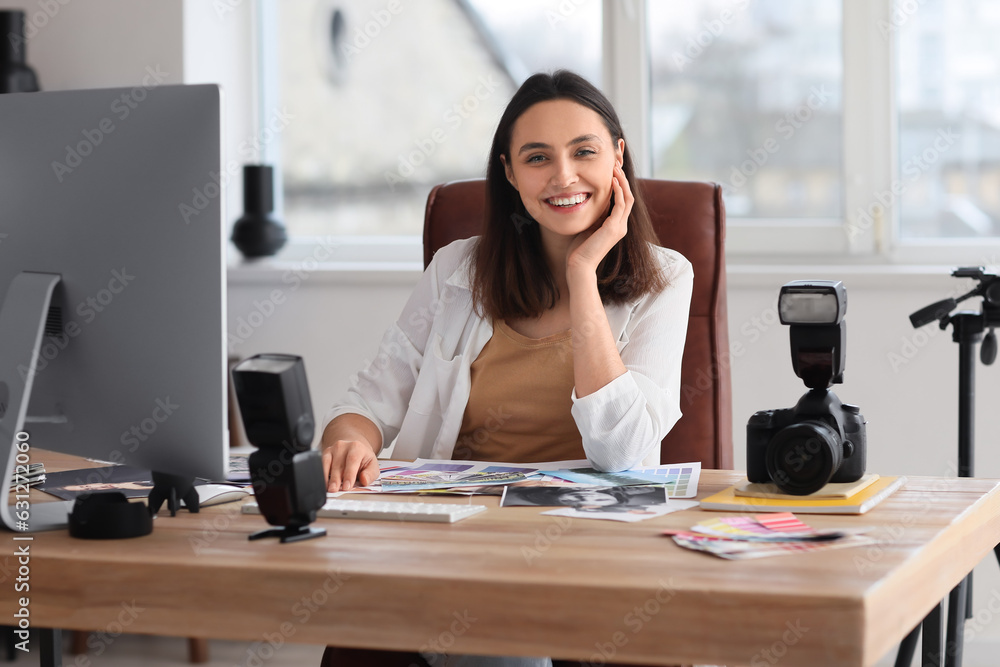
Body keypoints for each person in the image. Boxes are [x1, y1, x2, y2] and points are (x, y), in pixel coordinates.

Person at [318, 69, 693, 667]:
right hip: (461, 534)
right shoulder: (456, 270)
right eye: (538, 157)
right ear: (510, 173)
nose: (564, 176)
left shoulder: (665, 276)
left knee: (500, 640)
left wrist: (583, 274)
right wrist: (348, 441)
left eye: (584, 152)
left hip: (590, 542)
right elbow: (367, 403)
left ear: (617, 156)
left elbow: (624, 451)